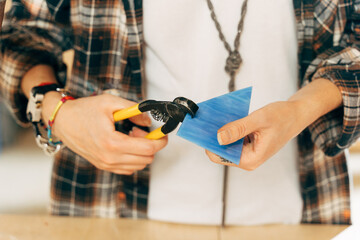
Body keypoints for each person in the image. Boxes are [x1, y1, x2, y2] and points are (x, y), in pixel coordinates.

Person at [0, 0, 359, 225]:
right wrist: (57, 111)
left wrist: (301, 109)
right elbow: (18, 36)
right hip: (111, 214)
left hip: (299, 216)